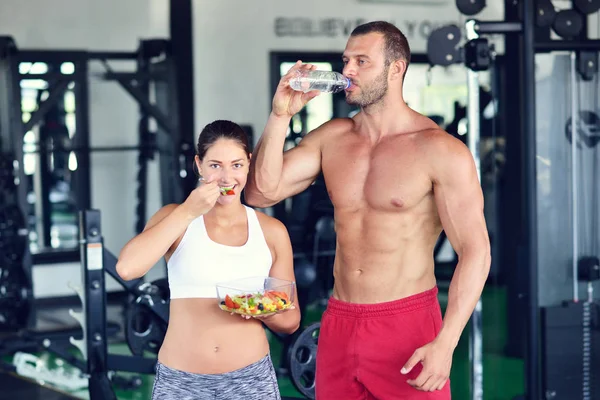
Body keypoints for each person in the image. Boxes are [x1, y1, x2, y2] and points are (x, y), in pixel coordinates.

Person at [245, 21, 491, 399]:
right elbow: (262, 192)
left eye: (362, 61)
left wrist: (447, 342)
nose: (348, 71)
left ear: (396, 69)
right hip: (340, 321)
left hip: (407, 324)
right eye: (346, 61)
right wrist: (280, 116)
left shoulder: (440, 150)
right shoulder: (333, 137)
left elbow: (476, 251)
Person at [116, 120, 300, 400]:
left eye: (236, 165)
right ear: (199, 165)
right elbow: (128, 268)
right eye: (215, 165)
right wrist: (189, 210)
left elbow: (290, 319)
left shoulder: (271, 231)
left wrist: (258, 308)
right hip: (181, 381)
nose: (227, 178)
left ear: (249, 163)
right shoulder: (176, 217)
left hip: (249, 381)